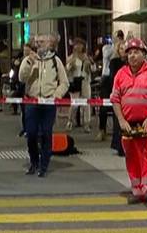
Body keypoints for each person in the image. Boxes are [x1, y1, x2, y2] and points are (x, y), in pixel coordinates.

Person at [111, 38, 147, 207]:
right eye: (129, 53)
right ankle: (137, 190)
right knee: (132, 157)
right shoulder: (121, 74)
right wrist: (121, 121)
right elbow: (115, 99)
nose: (132, 56)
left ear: (144, 54)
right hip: (128, 125)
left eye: (136, 52)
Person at [19, 34, 69, 177]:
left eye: (42, 42)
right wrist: (29, 63)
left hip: (48, 102)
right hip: (32, 102)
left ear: (49, 44)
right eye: (37, 42)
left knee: (46, 133)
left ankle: (44, 165)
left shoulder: (55, 61)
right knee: (32, 134)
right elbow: (21, 78)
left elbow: (64, 82)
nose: (38, 44)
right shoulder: (29, 60)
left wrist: (56, 95)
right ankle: (34, 162)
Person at [65, 38, 92, 131]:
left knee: (86, 103)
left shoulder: (86, 57)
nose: (78, 46)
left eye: (81, 44)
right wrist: (70, 65)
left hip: (85, 81)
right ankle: (70, 121)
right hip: (75, 81)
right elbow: (66, 70)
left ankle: (87, 124)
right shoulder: (71, 57)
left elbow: (94, 69)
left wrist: (90, 65)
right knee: (74, 104)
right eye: (77, 44)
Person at [107, 41, 127, 156]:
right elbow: (113, 78)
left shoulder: (131, 63)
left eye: (125, 48)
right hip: (118, 94)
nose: (123, 51)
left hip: (130, 95)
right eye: (121, 49)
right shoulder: (114, 62)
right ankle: (119, 146)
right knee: (118, 121)